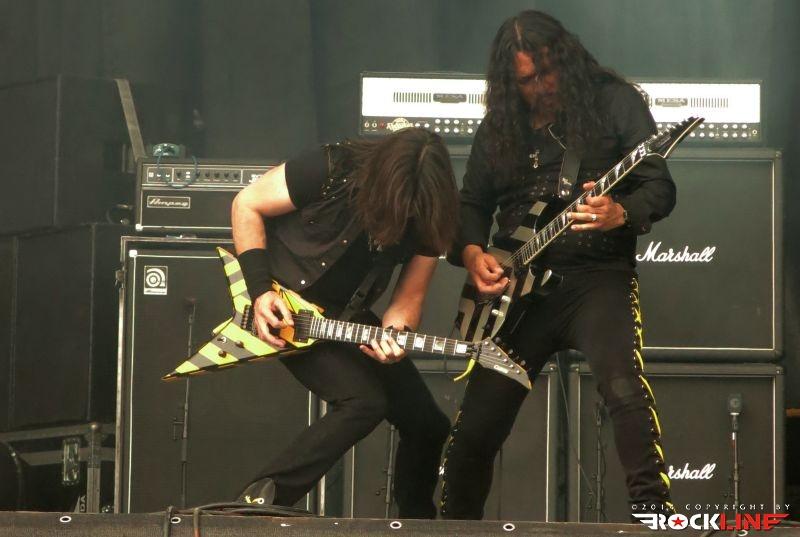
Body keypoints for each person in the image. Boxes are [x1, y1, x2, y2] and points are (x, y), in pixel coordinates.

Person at [440, 10, 677, 519]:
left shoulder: (614, 101)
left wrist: (619, 212)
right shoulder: (499, 127)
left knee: (623, 389)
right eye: (527, 81)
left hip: (597, 277)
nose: (542, 87)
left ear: (566, 60)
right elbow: (471, 204)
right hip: (515, 294)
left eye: (548, 73)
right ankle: (455, 527)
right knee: (475, 429)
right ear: (509, 83)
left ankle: (654, 516)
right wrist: (473, 254)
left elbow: (659, 187)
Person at [231, 127, 458, 518]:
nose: (403, 217)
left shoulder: (431, 215)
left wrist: (395, 336)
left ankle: (417, 525)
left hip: (343, 316)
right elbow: (247, 204)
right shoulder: (331, 166)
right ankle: (256, 503)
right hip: (284, 307)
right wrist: (260, 291)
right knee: (363, 401)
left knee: (428, 424)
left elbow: (408, 300)